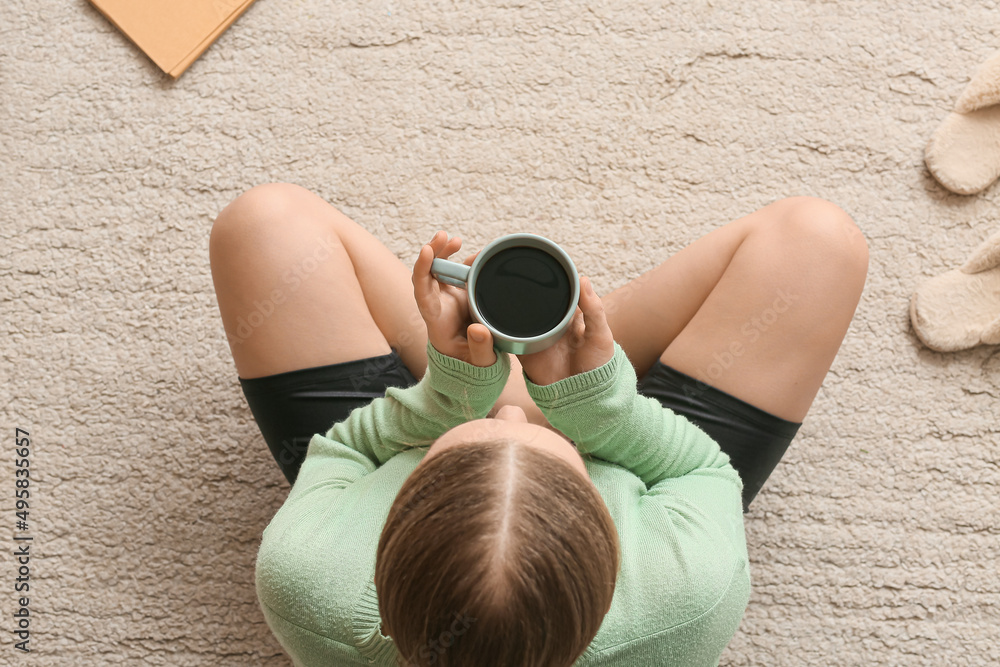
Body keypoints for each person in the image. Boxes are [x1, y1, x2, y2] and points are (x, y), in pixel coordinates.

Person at [209, 183, 868, 667]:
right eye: (546, 444)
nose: (512, 411)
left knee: (263, 222)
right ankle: (566, 344)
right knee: (819, 239)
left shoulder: (309, 579)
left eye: (483, 433)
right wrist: (597, 407)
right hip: (627, 446)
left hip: (435, 408)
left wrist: (452, 391)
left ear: (392, 523)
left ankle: (525, 353)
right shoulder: (688, 589)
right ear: (608, 535)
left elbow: (344, 453)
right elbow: (701, 468)